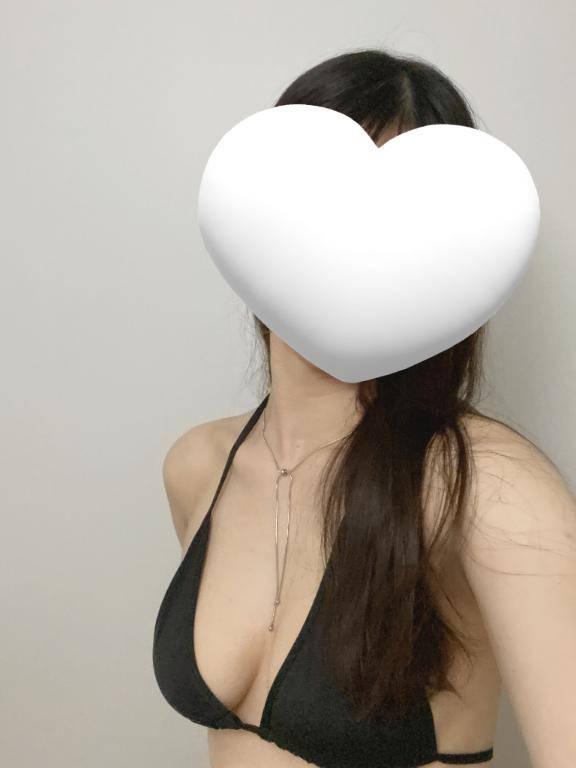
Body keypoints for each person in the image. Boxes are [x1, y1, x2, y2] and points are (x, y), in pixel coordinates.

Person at [153, 49, 576, 768]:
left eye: (395, 227)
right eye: (321, 210)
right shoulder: (198, 465)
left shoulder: (485, 487)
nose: (350, 257)